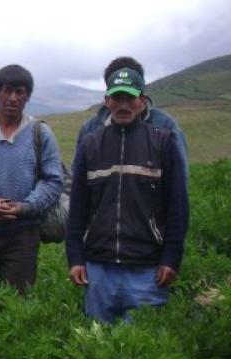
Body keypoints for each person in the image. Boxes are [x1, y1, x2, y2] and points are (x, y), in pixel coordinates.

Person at [66, 67, 188, 323]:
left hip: (147, 270)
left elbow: (178, 208)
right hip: (98, 271)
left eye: (129, 98)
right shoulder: (90, 145)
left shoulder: (164, 143)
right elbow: (77, 208)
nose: (123, 105)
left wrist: (171, 259)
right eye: (117, 98)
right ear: (107, 101)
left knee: (143, 351)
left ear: (142, 101)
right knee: (98, 350)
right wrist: (75, 258)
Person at [0, 64, 63, 293]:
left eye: (20, 92)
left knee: (15, 305)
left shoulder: (40, 132)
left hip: (22, 238)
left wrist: (24, 207)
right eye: (7, 90)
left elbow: (53, 180)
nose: (13, 98)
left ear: (28, 96)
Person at [76, 56, 188, 174]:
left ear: (142, 95)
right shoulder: (90, 128)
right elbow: (79, 176)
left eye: (130, 96)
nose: (123, 105)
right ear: (107, 96)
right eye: (117, 95)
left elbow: (179, 176)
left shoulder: (166, 126)